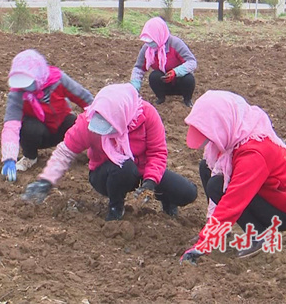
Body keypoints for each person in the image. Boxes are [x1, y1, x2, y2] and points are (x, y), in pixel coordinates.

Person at [22, 84, 198, 221]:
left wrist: (150, 182)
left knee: (187, 193)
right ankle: (116, 206)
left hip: (143, 170)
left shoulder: (147, 115)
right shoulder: (89, 121)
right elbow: (65, 152)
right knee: (125, 168)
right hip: (106, 173)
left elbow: (157, 152)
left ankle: (166, 199)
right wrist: (46, 181)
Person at [179, 91, 286, 263]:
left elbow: (233, 201)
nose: (209, 141)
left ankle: (258, 234)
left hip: (284, 209)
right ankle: (222, 231)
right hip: (265, 193)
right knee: (206, 168)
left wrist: (205, 243)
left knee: (217, 186)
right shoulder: (236, 130)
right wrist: (212, 230)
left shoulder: (255, 153)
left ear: (221, 124)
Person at [0, 49, 95, 182]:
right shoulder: (17, 94)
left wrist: (98, 121)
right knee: (29, 128)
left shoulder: (58, 80)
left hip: (62, 126)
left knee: (77, 123)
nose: (25, 88)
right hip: (38, 133)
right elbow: (11, 125)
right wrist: (9, 158)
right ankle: (30, 157)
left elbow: (85, 99)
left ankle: (82, 151)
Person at [130, 17, 197, 108]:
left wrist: (176, 72)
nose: (150, 44)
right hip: (164, 82)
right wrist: (134, 88)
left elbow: (192, 62)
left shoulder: (175, 43)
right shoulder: (147, 48)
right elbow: (138, 68)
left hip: (180, 81)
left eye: (152, 40)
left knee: (188, 79)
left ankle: (187, 100)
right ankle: (161, 98)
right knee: (154, 76)